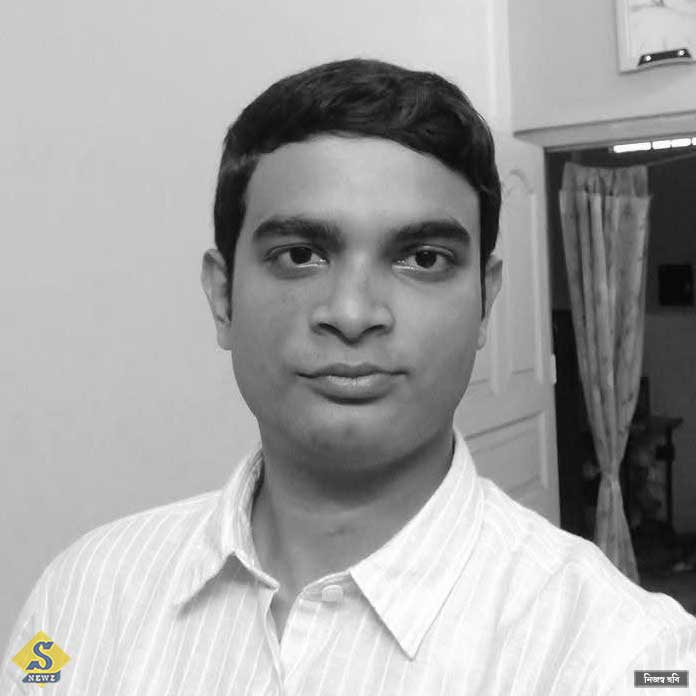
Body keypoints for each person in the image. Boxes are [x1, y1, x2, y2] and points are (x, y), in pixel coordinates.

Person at [2, 58, 695, 696]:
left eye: (423, 258)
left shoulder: (629, 656)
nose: (354, 313)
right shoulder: (82, 597)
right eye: (300, 254)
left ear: (485, 302)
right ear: (222, 298)